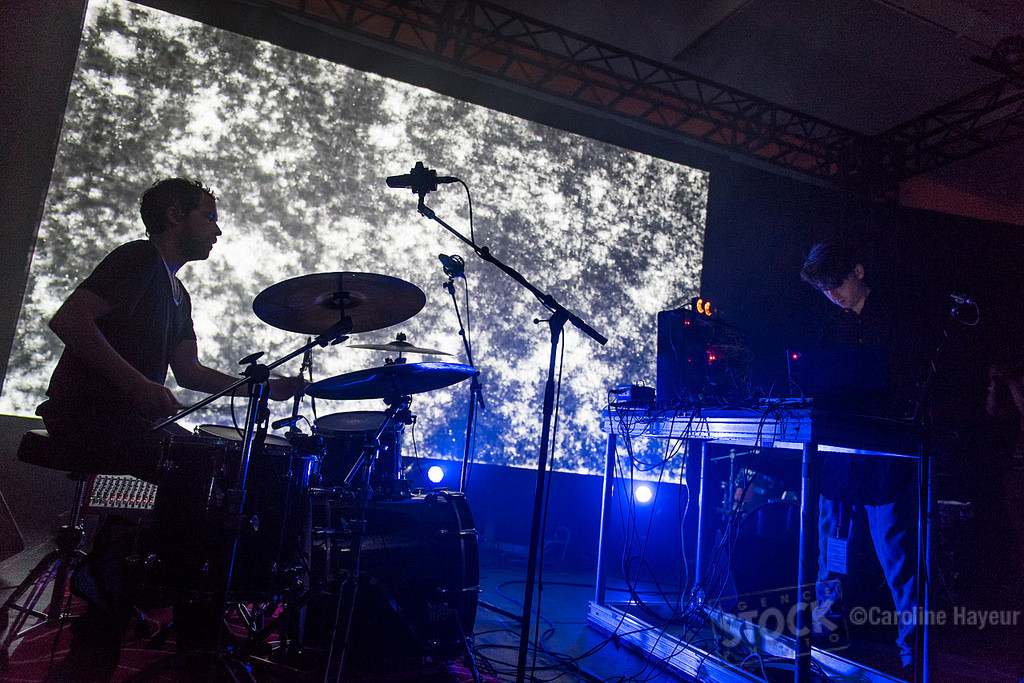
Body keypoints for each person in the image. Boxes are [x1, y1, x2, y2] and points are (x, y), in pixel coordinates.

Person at [38, 178, 304, 681]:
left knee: (212, 475)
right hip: (88, 416)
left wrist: (264, 388)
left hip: (129, 423)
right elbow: (70, 321)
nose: (218, 230)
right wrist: (137, 384)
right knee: (201, 480)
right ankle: (120, 611)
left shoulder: (178, 294)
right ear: (175, 216)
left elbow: (191, 373)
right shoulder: (138, 259)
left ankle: (192, 625)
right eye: (209, 217)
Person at [799, 238, 920, 677]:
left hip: (885, 457)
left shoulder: (898, 320)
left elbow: (906, 384)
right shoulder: (832, 328)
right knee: (831, 553)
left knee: (899, 559)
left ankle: (913, 653)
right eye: (824, 289)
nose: (833, 295)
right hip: (841, 460)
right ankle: (825, 635)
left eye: (837, 284)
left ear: (859, 271)